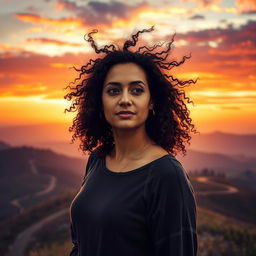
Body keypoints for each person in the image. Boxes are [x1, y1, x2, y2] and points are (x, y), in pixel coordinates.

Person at [64, 26, 199, 256]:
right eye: (114, 91)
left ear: (152, 101)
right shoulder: (97, 159)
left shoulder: (166, 175)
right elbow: (82, 244)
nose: (125, 100)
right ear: (100, 101)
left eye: (136, 90)